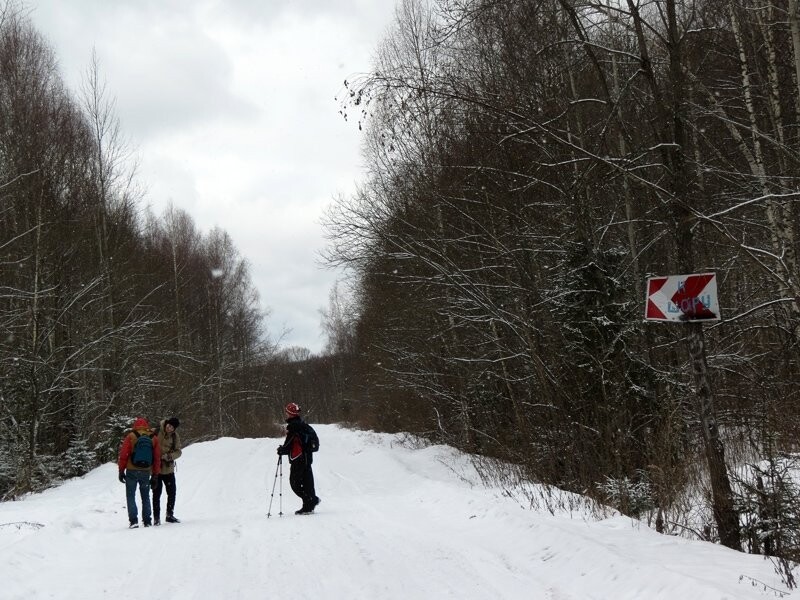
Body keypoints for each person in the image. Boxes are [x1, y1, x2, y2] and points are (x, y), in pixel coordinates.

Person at [277, 402, 320, 514]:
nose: (286, 414)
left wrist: (282, 450)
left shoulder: (294, 426)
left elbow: (289, 444)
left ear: (290, 413)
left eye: (287, 412)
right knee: (307, 482)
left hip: (299, 459)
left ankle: (311, 501)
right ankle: (309, 505)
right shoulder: (303, 424)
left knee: (294, 483)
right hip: (307, 458)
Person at [117, 417, 161, 528]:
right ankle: (147, 521)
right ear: (146, 425)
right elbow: (157, 458)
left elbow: (123, 455)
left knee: (131, 495)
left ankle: (133, 521)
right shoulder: (153, 438)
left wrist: (121, 470)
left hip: (132, 470)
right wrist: (155, 474)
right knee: (145, 496)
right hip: (145, 472)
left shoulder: (131, 436)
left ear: (135, 425)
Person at [153, 417, 182, 525]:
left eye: (172, 427)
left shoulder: (175, 437)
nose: (169, 428)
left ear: (174, 429)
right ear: (166, 424)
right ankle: (156, 518)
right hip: (155, 468)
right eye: (168, 425)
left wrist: (169, 456)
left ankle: (169, 515)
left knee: (172, 493)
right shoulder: (155, 431)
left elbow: (179, 452)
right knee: (156, 493)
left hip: (168, 469)